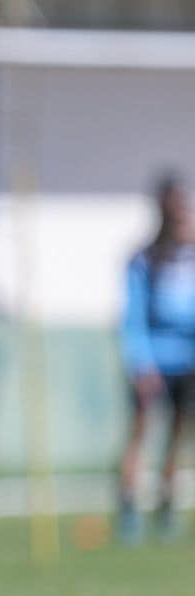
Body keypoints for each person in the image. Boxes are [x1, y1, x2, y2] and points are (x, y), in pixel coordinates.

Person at [119, 172, 195, 544]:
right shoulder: (145, 259)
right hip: (152, 360)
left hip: (188, 361)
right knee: (140, 433)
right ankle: (129, 508)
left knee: (177, 437)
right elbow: (132, 315)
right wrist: (141, 362)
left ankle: (167, 506)